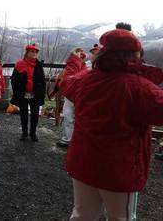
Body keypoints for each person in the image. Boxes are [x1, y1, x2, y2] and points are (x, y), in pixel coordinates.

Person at [60, 28, 163, 220]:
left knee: (82, 215)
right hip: (119, 171)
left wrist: (75, 62)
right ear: (135, 55)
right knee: (120, 217)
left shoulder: (85, 80)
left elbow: (66, 83)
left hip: (83, 163)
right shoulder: (140, 88)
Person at [10, 43, 46, 141]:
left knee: (35, 114)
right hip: (22, 94)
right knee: (23, 114)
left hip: (35, 94)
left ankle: (33, 133)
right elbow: (14, 80)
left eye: (36, 52)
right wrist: (16, 92)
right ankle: (24, 132)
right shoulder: (19, 64)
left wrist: (41, 94)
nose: (34, 54)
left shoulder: (39, 65)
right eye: (32, 51)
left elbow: (42, 81)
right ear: (27, 52)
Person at [56, 48, 89, 148]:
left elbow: (71, 78)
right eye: (79, 56)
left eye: (82, 57)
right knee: (67, 117)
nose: (80, 58)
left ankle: (74, 140)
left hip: (79, 97)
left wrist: (74, 58)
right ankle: (68, 139)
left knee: (76, 118)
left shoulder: (87, 67)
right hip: (71, 96)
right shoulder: (79, 67)